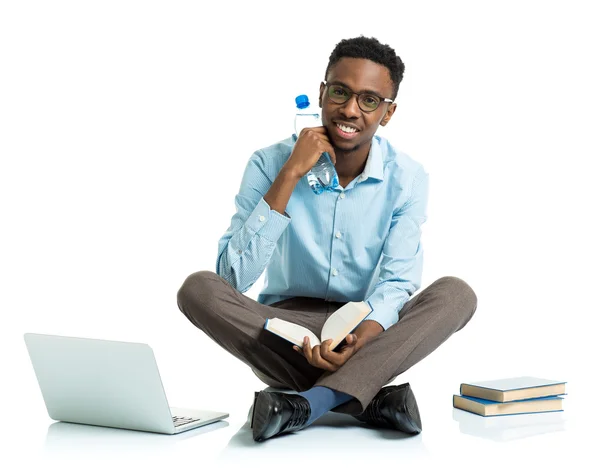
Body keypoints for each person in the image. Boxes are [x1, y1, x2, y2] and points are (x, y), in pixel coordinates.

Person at [177, 36, 477, 442]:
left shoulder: (407, 177)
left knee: (456, 294)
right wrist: (289, 175)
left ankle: (305, 404)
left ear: (387, 113)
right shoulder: (269, 162)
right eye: (340, 92)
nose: (350, 109)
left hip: (364, 326)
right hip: (284, 331)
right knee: (197, 289)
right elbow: (231, 278)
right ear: (322, 92)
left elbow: (397, 283)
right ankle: (369, 398)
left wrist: (362, 337)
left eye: (370, 100)